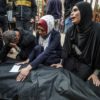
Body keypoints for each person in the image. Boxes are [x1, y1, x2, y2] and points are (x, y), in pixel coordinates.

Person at [51, 1, 100, 89]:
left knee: (77, 84)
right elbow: (65, 49)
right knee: (61, 79)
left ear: (84, 11)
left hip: (87, 65)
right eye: (71, 11)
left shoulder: (97, 30)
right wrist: (61, 63)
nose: (71, 14)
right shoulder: (71, 30)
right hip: (72, 61)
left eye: (75, 10)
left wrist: (95, 74)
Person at [16, 15, 62, 81]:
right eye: (38, 29)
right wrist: (28, 60)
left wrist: (28, 68)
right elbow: (36, 48)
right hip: (43, 53)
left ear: (49, 28)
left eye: (42, 30)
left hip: (52, 54)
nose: (40, 32)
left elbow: (47, 52)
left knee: (47, 59)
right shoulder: (38, 33)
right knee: (37, 50)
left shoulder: (56, 35)